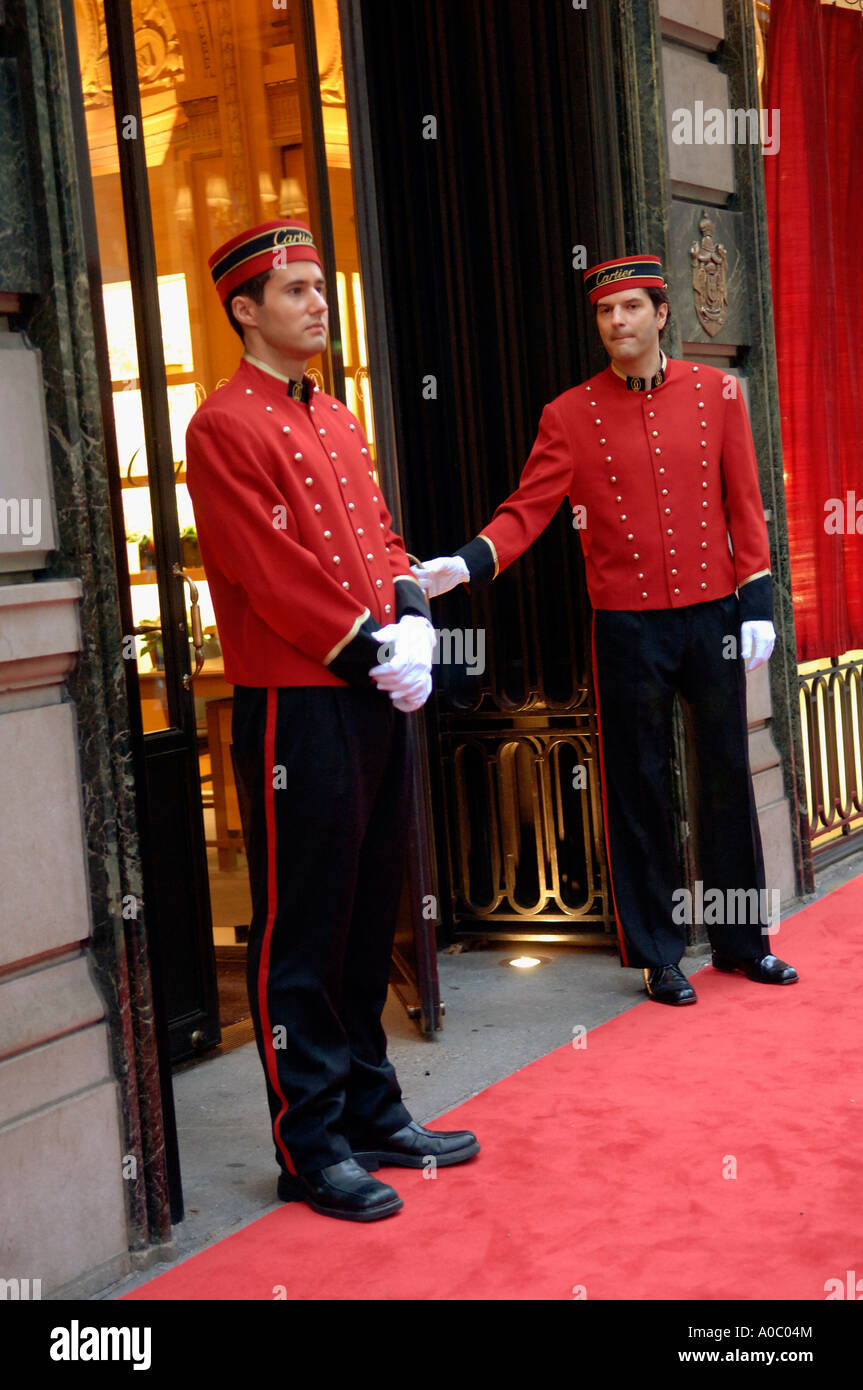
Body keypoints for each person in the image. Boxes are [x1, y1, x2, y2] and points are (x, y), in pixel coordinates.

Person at [185, 218, 479, 1222]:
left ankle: (370, 1109)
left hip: (369, 691)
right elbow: (268, 574)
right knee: (302, 931)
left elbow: (380, 533)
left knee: (367, 919)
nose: (318, 301)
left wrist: (408, 615)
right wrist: (369, 647)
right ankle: (308, 1143)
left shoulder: (337, 416)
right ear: (245, 308)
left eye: (319, 285)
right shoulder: (221, 424)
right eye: (297, 288)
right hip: (296, 707)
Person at [415, 254, 798, 1006]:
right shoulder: (567, 414)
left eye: (629, 308)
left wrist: (756, 600)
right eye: (603, 312)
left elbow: (743, 504)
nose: (615, 322)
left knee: (725, 774)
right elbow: (525, 510)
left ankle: (742, 942)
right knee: (638, 788)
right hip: (626, 625)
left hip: (713, 613)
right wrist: (464, 565)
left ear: (660, 313)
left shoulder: (718, 393)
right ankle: (658, 954)